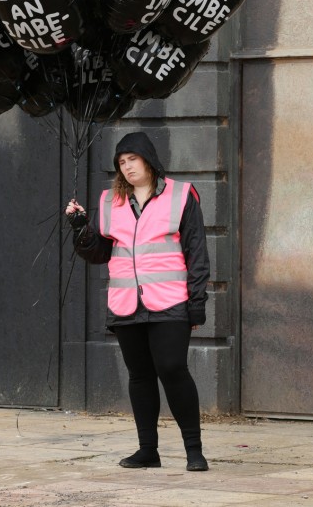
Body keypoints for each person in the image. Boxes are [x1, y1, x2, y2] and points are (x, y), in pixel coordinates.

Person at [65, 131, 210, 471]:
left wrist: (197, 301)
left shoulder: (181, 195)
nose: (127, 167)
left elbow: (197, 252)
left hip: (171, 301)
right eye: (121, 162)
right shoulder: (108, 201)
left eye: (132, 159)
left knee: (173, 369)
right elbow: (100, 253)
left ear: (148, 158)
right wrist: (81, 228)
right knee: (140, 375)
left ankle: (194, 450)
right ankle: (148, 451)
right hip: (126, 302)